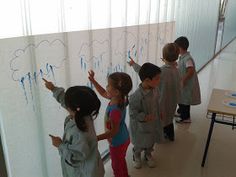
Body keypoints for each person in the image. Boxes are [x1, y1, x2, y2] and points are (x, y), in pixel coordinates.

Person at [43, 78, 104, 177]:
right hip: (91, 168)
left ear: (73, 108)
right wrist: (53, 89)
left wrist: (60, 145)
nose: (65, 103)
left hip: (84, 173)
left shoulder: (79, 131)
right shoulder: (85, 114)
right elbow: (66, 101)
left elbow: (76, 156)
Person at [88, 71, 132, 177]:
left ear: (116, 91)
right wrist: (94, 81)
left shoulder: (115, 111)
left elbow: (113, 132)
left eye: (108, 85)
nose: (106, 87)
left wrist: (96, 138)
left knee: (116, 166)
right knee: (121, 161)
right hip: (124, 138)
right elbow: (103, 92)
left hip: (117, 142)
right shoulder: (120, 99)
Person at [128, 62, 163, 169]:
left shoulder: (155, 89)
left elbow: (157, 102)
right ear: (147, 80)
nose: (159, 81)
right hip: (140, 126)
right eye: (157, 79)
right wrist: (144, 117)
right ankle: (136, 155)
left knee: (150, 140)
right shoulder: (136, 96)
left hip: (152, 122)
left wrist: (159, 111)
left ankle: (148, 154)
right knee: (139, 142)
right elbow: (132, 113)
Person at [174, 36, 201, 123]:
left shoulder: (187, 58)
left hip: (186, 84)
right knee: (181, 98)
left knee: (185, 100)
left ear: (180, 48)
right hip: (183, 84)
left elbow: (191, 71)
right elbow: (181, 66)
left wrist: (183, 80)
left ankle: (186, 118)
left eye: (176, 48)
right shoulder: (182, 57)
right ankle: (181, 112)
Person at [159, 43, 181, 141]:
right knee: (169, 117)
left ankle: (160, 136)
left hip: (162, 100)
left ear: (163, 57)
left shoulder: (161, 71)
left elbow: (148, 75)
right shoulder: (176, 70)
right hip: (173, 100)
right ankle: (171, 136)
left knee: (161, 119)